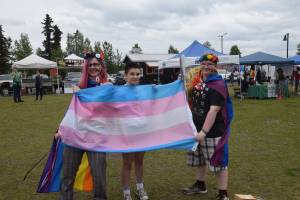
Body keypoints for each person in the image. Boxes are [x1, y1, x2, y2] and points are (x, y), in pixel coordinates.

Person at [55, 52, 108, 200]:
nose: (93, 67)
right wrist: (60, 129)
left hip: (96, 137)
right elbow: (72, 110)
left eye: (96, 64)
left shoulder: (107, 86)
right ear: (86, 67)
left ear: (101, 67)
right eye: (90, 65)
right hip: (75, 135)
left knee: (99, 177)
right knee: (67, 174)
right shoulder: (79, 86)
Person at [182, 53, 233, 200]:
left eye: (210, 64)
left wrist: (203, 132)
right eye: (203, 63)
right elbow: (190, 100)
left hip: (212, 131)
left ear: (215, 67)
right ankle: (200, 185)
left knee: (218, 163)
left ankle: (223, 194)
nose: (206, 66)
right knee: (199, 160)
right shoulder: (198, 82)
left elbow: (214, 109)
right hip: (195, 128)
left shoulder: (218, 85)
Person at [121, 62, 149, 200]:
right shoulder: (119, 91)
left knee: (139, 161)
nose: (135, 76)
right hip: (126, 133)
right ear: (125, 76)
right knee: (127, 163)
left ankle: (140, 188)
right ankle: (126, 193)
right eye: (132, 74)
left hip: (141, 131)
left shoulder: (144, 91)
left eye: (138, 74)